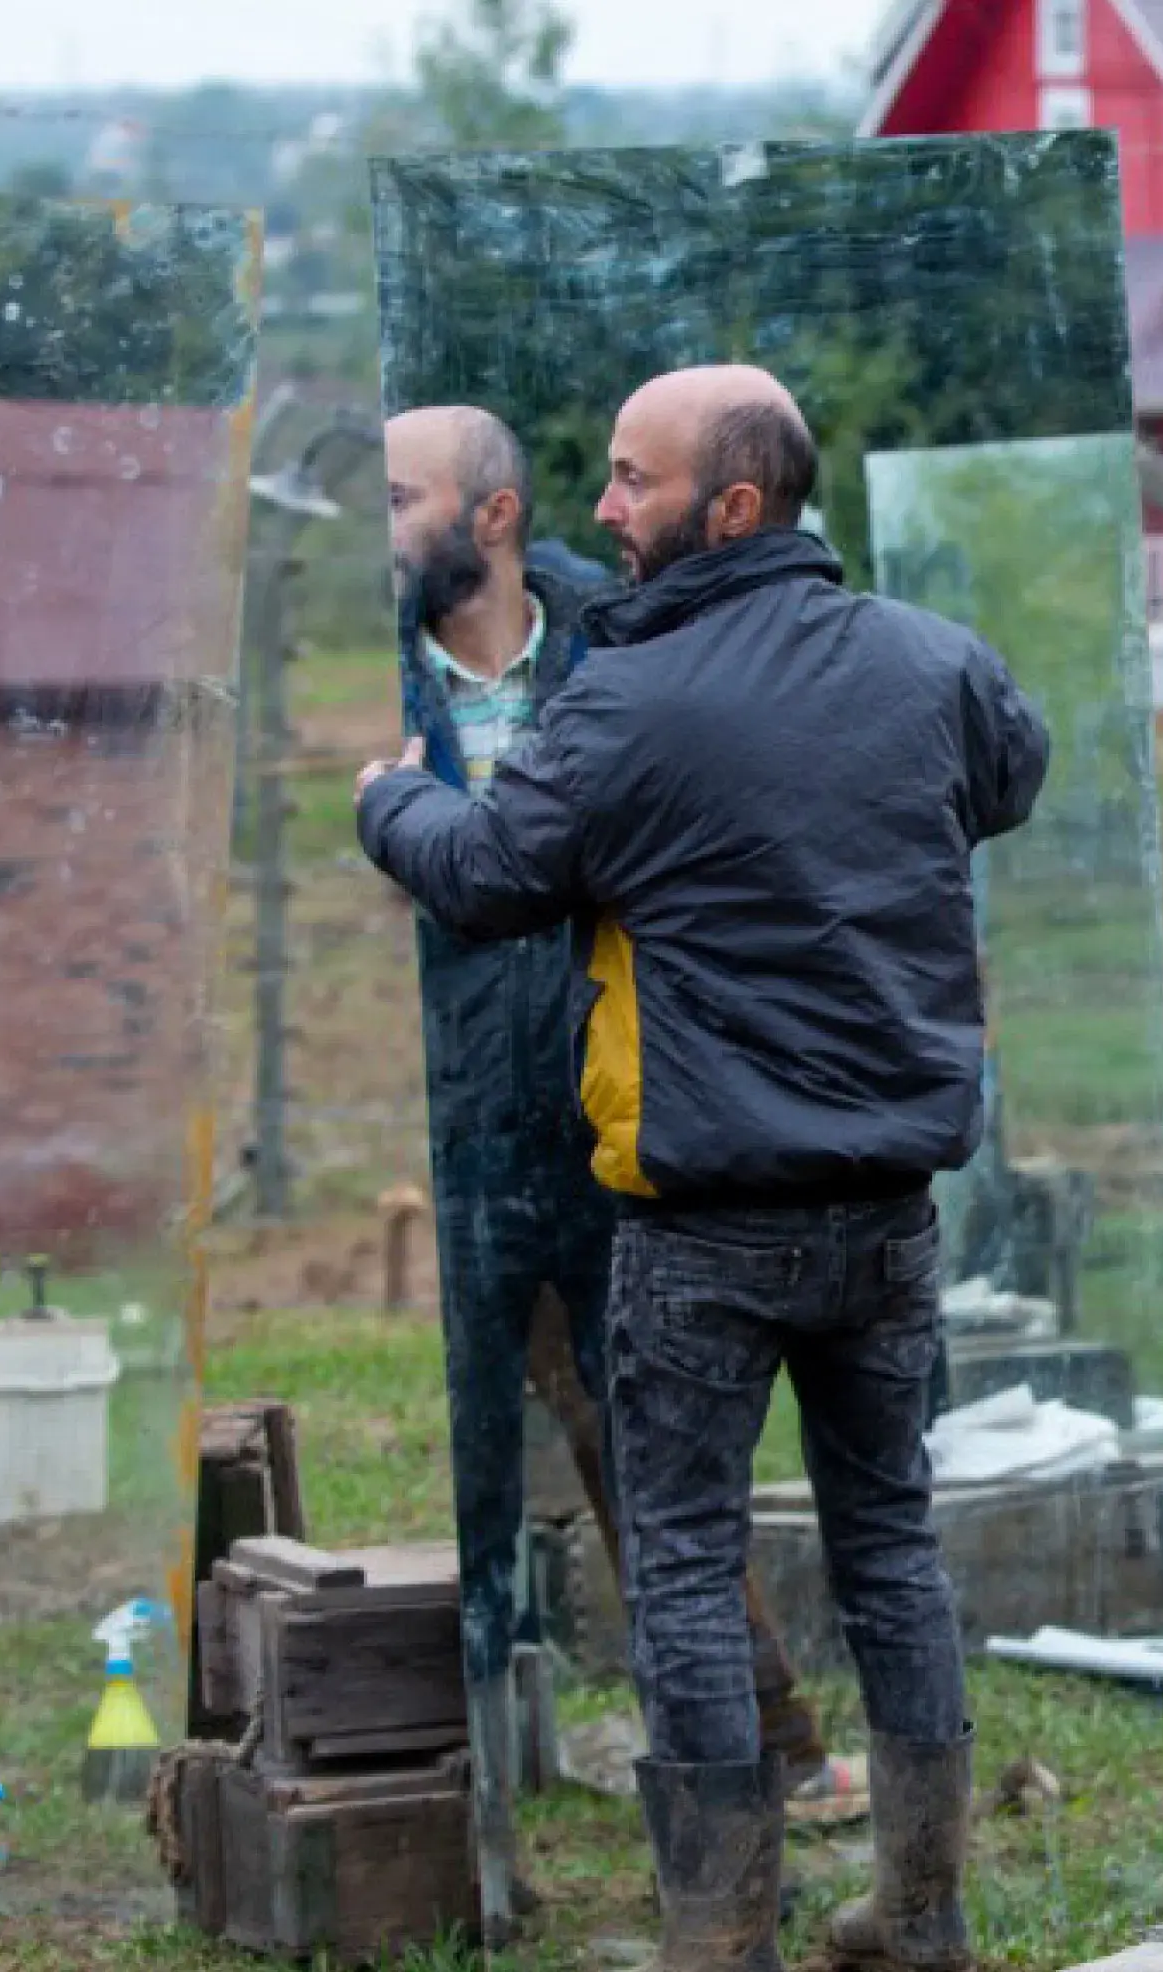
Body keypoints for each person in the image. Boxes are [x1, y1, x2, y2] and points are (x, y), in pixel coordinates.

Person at [356, 365, 1048, 1972]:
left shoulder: (623, 704)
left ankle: (719, 1944)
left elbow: (491, 875)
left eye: (633, 480)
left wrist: (391, 802)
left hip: (702, 1229)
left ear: (731, 507)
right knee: (891, 1547)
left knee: (678, 1563)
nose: (604, 508)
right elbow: (1005, 776)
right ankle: (921, 1914)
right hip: (886, 1220)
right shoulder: (932, 662)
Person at [380, 409, 846, 1931]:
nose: (377, 531)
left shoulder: (622, 640)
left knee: (646, 1451)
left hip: (620, 1111)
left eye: (399, 498)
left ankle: (765, 1766)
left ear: (492, 515)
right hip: (465, 1123)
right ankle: (465, 1813)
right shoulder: (381, 685)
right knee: (471, 1460)